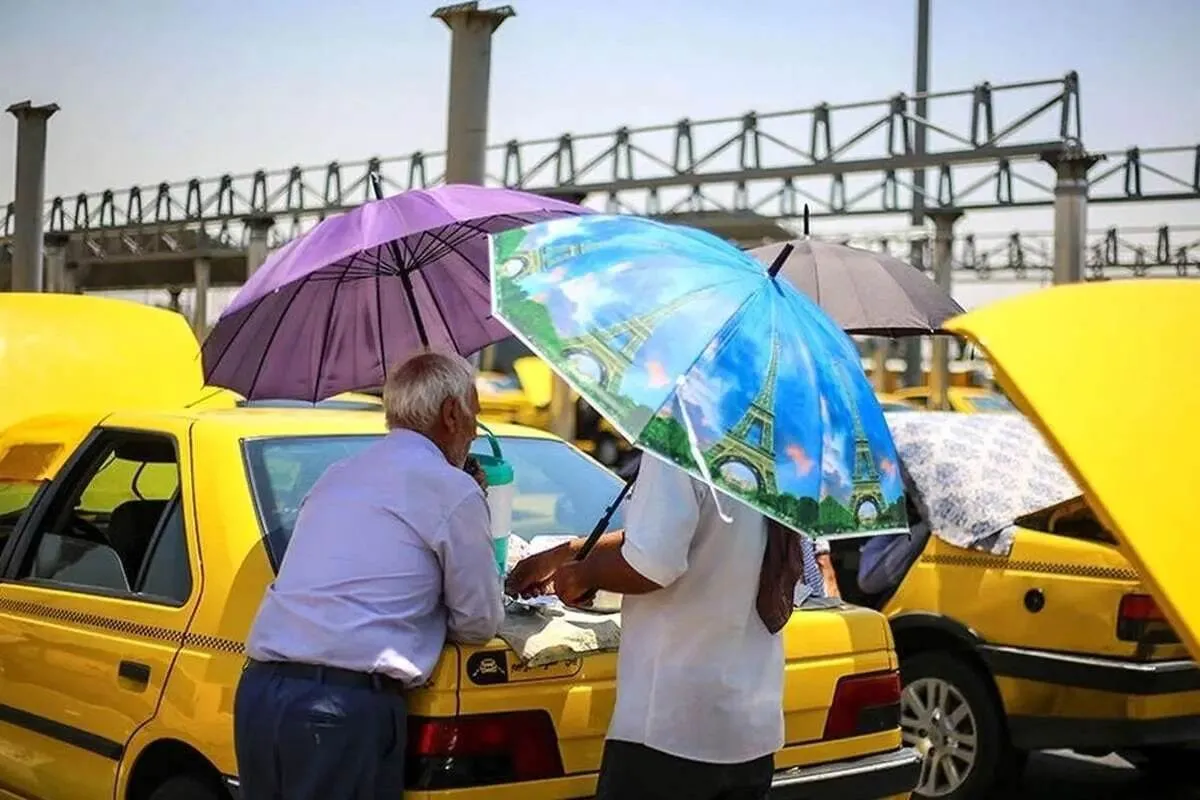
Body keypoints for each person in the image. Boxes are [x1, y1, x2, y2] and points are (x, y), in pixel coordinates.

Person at [233, 351, 505, 800]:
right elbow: (478, 622)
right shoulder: (452, 489)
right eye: (475, 413)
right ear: (452, 414)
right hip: (340, 710)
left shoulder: (337, 475)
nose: (476, 430)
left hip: (262, 695)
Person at [508, 455, 801, 800]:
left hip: (671, 729)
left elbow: (654, 563)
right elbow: (671, 535)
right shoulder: (767, 445)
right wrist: (568, 552)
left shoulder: (683, 436)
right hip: (749, 730)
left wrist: (584, 575)